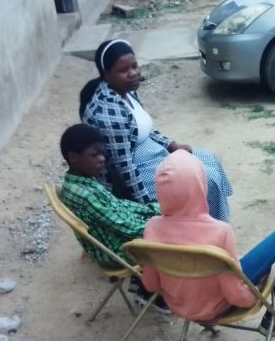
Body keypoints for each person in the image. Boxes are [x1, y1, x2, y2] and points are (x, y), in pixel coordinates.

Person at [140, 151, 275, 333]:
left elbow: (151, 284)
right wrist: (255, 295)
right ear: (200, 185)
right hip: (217, 306)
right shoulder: (219, 231)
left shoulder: (152, 227)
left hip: (181, 305)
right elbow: (236, 296)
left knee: (228, 263)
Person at [80, 39, 233, 221]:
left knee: (210, 159)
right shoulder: (109, 113)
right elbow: (124, 168)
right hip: (140, 169)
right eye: (124, 70)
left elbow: (143, 128)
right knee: (208, 179)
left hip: (154, 153)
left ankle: (212, 221)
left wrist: (171, 145)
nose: (133, 73)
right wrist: (148, 207)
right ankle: (211, 230)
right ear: (107, 75)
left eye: (134, 66)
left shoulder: (126, 91)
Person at [59, 124, 160, 270]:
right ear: (73, 157)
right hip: (120, 252)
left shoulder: (78, 183)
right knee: (180, 238)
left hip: (119, 236)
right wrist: (162, 226)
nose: (102, 159)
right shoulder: (86, 195)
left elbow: (118, 205)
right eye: (94, 155)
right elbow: (125, 227)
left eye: (102, 153)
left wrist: (153, 210)